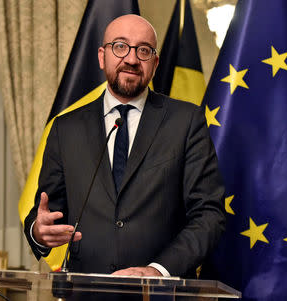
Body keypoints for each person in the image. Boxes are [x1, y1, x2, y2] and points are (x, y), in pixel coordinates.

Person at [24, 14, 225, 279]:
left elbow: (209, 214)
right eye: (120, 46)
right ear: (101, 56)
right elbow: (48, 212)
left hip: (162, 294)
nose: (131, 59)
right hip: (88, 294)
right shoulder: (66, 129)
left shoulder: (186, 122)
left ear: (155, 63)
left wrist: (158, 270)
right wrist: (38, 231)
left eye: (143, 50)